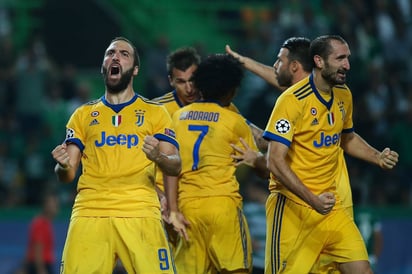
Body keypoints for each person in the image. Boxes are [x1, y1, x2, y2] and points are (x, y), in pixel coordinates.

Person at [262, 35, 398, 273]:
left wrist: (377, 157)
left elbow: (347, 138)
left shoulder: (344, 95)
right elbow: (274, 160)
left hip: (331, 209)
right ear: (319, 61)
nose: (347, 65)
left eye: (348, 58)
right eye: (340, 58)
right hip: (293, 210)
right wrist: (312, 199)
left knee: (363, 270)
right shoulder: (292, 101)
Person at [50, 36, 181, 273]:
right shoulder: (83, 114)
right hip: (91, 211)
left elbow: (175, 165)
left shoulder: (156, 113)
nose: (115, 57)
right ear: (103, 65)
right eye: (110, 53)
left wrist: (158, 158)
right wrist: (61, 166)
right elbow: (67, 174)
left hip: (139, 210)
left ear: (135, 69)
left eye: (124, 54)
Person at [166, 54, 267, 273]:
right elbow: (264, 171)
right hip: (223, 206)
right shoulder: (233, 121)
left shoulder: (177, 118)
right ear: (231, 91)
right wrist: (257, 160)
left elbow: (169, 166)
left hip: (188, 208)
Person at [24, 192, 59, 274]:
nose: (56, 207)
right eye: (53, 205)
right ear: (46, 206)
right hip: (40, 266)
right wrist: (41, 270)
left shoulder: (47, 224)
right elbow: (37, 247)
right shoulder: (40, 223)